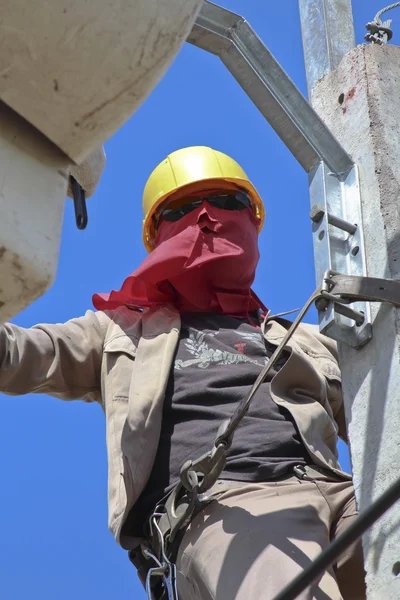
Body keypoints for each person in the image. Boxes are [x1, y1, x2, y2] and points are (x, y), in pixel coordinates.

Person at [0, 146, 366, 599]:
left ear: (253, 219)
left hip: (343, 495)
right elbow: (22, 355)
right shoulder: (121, 332)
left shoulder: (307, 338)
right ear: (159, 234)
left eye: (227, 202)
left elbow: (383, 396)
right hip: (228, 507)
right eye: (184, 209)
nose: (208, 217)